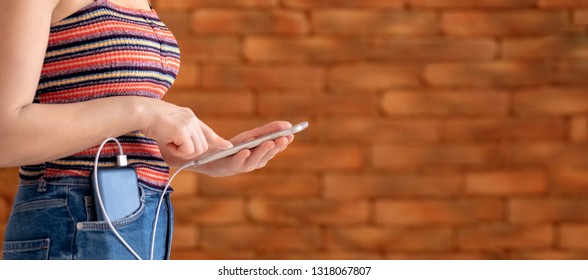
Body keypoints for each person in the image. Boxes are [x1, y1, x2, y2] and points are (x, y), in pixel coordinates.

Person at [0, 0, 294, 260]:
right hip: (73, 217)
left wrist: (200, 157)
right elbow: (5, 136)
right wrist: (143, 111)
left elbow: (108, 121)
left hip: (143, 215)